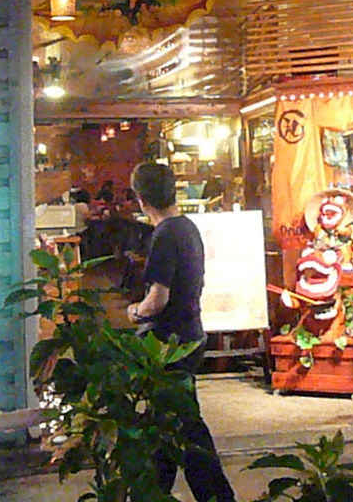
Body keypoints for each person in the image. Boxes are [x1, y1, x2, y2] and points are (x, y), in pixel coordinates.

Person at [125, 162, 236, 502]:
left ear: (141, 199)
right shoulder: (187, 227)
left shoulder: (164, 234)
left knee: (186, 430)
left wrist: (134, 312)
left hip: (168, 343)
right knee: (168, 428)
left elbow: (157, 299)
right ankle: (154, 492)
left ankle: (215, 498)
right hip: (191, 333)